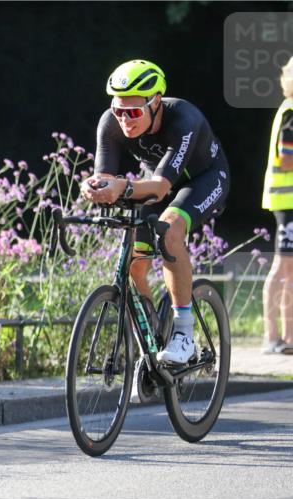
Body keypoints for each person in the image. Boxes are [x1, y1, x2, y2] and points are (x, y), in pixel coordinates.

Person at [82, 59, 230, 369]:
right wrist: (96, 187)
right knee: (136, 262)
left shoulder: (183, 119)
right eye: (118, 110)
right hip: (154, 178)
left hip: (203, 180)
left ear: (156, 102)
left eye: (133, 112)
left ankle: (184, 332)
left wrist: (121, 187)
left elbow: (162, 188)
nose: (124, 119)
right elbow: (107, 177)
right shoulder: (109, 123)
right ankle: (149, 341)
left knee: (170, 229)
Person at [261, 55, 293, 355]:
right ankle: (272, 337)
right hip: (287, 200)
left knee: (289, 269)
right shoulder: (292, 112)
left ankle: (287, 337)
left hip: (286, 199)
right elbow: (287, 156)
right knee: (282, 267)